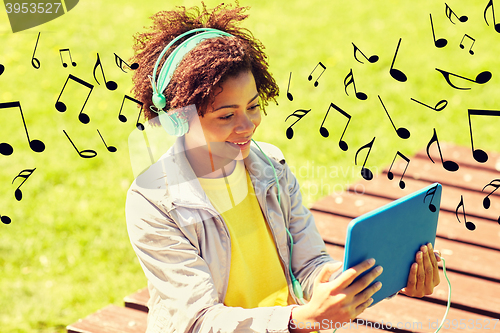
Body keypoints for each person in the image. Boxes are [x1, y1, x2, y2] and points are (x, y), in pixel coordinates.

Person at [125, 3, 441, 332]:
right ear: (178, 119)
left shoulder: (270, 167)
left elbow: (310, 266)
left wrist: (379, 276)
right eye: (226, 115)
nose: (247, 126)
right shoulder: (153, 203)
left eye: (253, 106)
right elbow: (199, 321)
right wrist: (300, 318)